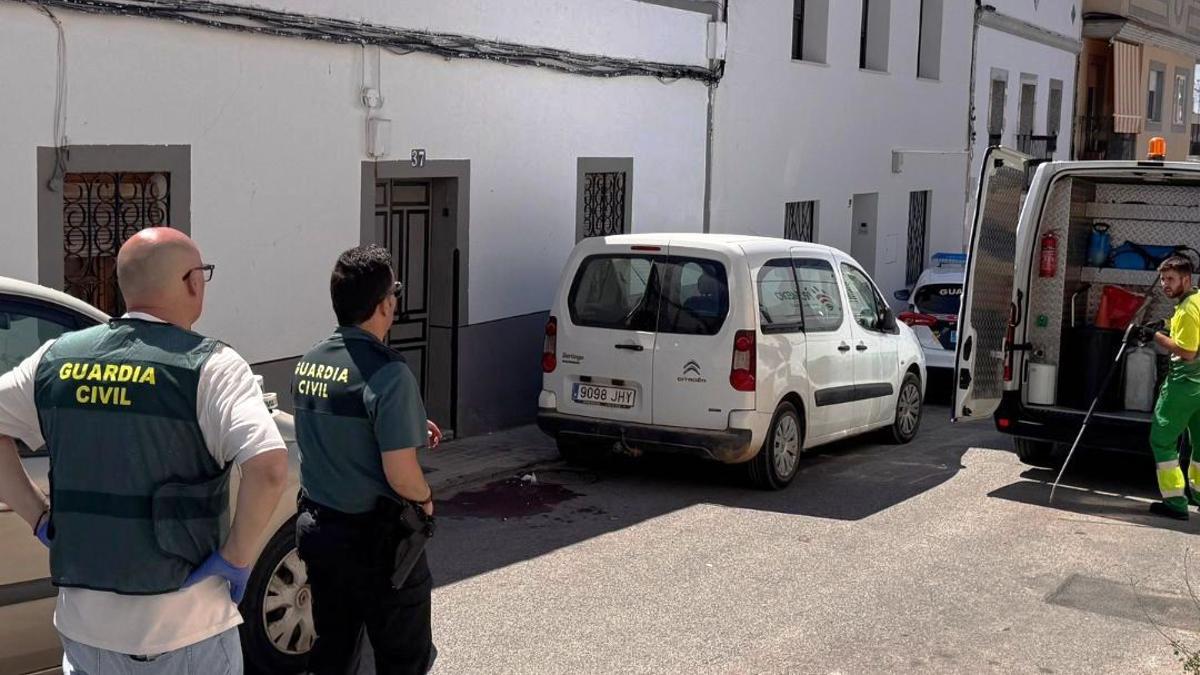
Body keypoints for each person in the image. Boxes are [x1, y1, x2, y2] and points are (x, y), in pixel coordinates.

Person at [0, 228, 289, 673]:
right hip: (189, 631)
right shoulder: (211, 366)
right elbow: (269, 469)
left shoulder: (54, 359)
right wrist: (236, 558)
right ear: (192, 282)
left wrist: (37, 513)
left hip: (86, 635)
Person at [293, 244, 442, 675]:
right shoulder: (388, 372)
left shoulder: (311, 361)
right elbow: (402, 476)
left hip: (321, 533)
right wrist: (426, 502)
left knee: (335, 653)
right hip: (379, 546)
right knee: (402, 660)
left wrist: (410, 421)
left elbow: (342, 427)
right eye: (394, 291)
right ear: (385, 305)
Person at [1138, 254, 1200, 520]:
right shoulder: (1195, 300)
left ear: (1186, 279)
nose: (1165, 284)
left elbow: (1187, 351)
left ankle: (1175, 502)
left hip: (1184, 383)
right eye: (1163, 279)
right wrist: (1163, 324)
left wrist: (1156, 336)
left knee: (1162, 440)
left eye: (1171, 279)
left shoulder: (1187, 308)